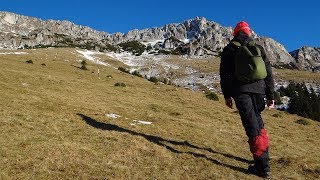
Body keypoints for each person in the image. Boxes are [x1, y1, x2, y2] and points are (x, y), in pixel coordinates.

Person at [220, 21, 275, 178]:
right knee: (258, 123)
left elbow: (225, 75)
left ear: (235, 33)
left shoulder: (230, 49)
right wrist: (270, 96)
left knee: (252, 127)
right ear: (248, 32)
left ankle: (262, 167)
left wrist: (227, 96)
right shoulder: (258, 48)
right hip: (259, 92)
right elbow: (268, 74)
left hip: (241, 92)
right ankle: (263, 158)